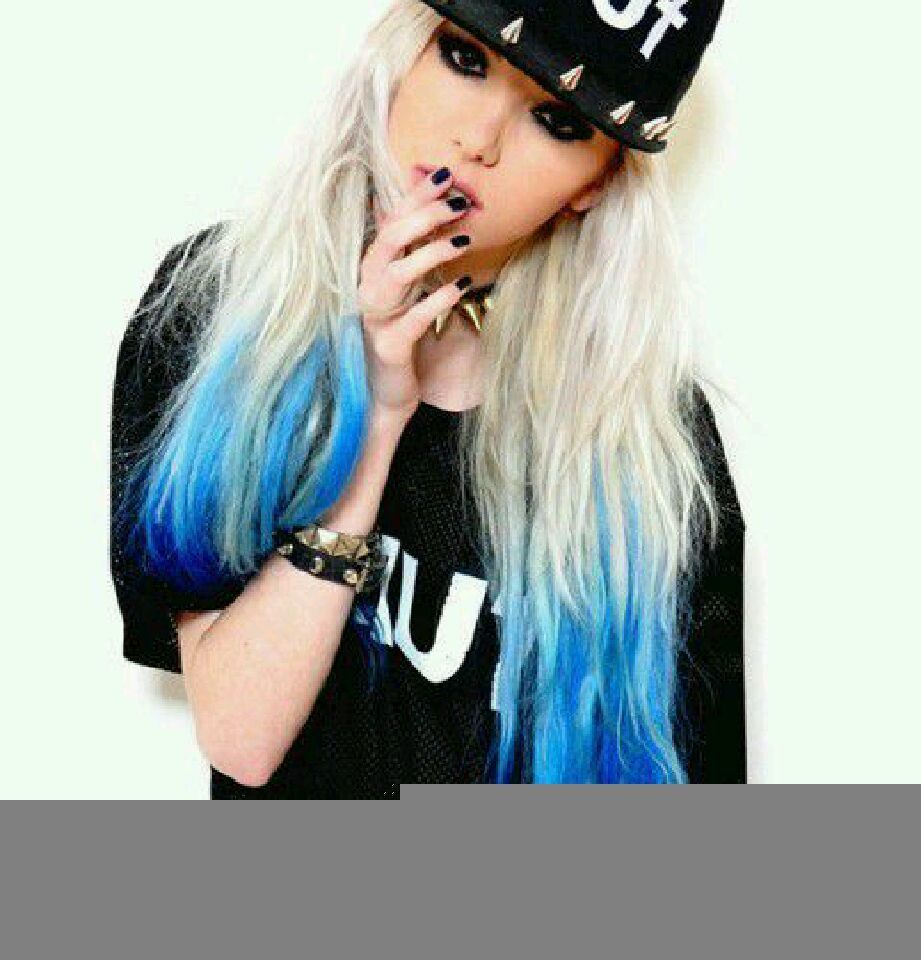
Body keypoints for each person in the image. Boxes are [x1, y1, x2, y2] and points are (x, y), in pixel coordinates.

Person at [110, 0, 745, 796]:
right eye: (465, 60)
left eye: (556, 120)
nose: (478, 141)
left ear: (597, 180)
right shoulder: (222, 314)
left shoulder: (649, 445)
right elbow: (242, 740)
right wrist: (375, 418)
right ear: (403, 55)